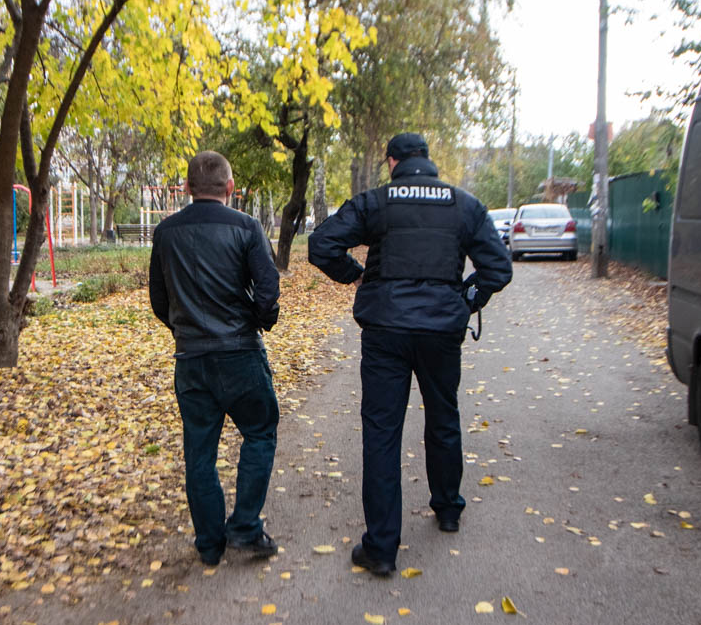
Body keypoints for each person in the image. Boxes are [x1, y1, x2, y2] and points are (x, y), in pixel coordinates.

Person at [308, 132, 512, 577]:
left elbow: (320, 245)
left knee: (382, 432)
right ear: (428, 161)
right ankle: (448, 509)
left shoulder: (376, 202)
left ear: (392, 161)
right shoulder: (463, 205)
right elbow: (498, 267)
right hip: (441, 331)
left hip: (386, 331)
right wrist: (466, 299)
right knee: (443, 417)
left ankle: (381, 548)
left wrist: (357, 276)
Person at [149, 150, 282, 566]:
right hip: (241, 353)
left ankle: (209, 544)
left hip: (191, 359)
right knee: (259, 432)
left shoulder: (165, 232)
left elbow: (158, 298)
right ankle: (245, 526)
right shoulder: (246, 227)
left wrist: (184, 328)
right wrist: (259, 321)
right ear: (230, 188)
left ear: (188, 188)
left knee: (200, 451)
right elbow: (268, 289)